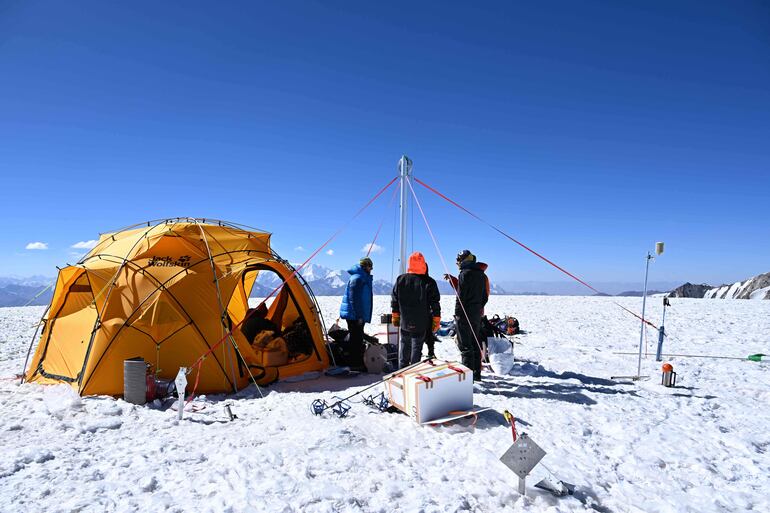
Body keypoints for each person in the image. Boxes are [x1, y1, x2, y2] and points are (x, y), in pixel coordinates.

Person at [444, 250, 489, 381]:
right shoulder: (481, 275)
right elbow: (484, 296)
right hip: (476, 315)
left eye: (458, 260)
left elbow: (460, 296)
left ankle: (467, 379)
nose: (457, 263)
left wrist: (458, 314)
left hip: (464, 315)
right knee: (475, 343)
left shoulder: (464, 274)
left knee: (465, 346)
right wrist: (477, 308)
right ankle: (476, 375)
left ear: (463, 261)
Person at [391, 252, 441, 369]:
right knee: (416, 349)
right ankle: (413, 375)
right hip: (420, 323)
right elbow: (435, 304)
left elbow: (394, 300)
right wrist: (436, 319)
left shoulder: (401, 279)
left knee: (404, 348)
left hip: (405, 322)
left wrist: (396, 315)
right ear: (423, 264)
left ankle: (402, 373)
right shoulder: (429, 282)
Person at [339, 257, 374, 369]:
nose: (371, 269)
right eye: (370, 266)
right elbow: (354, 299)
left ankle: (355, 361)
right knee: (356, 339)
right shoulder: (358, 278)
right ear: (365, 266)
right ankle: (355, 363)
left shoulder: (360, 277)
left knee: (356, 338)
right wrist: (359, 316)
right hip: (354, 315)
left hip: (355, 314)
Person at [423, 264, 440, 360]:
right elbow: (435, 300)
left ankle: (428, 353)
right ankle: (430, 352)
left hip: (416, 314)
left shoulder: (412, 280)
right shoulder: (430, 281)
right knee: (428, 335)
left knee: (420, 336)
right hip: (427, 313)